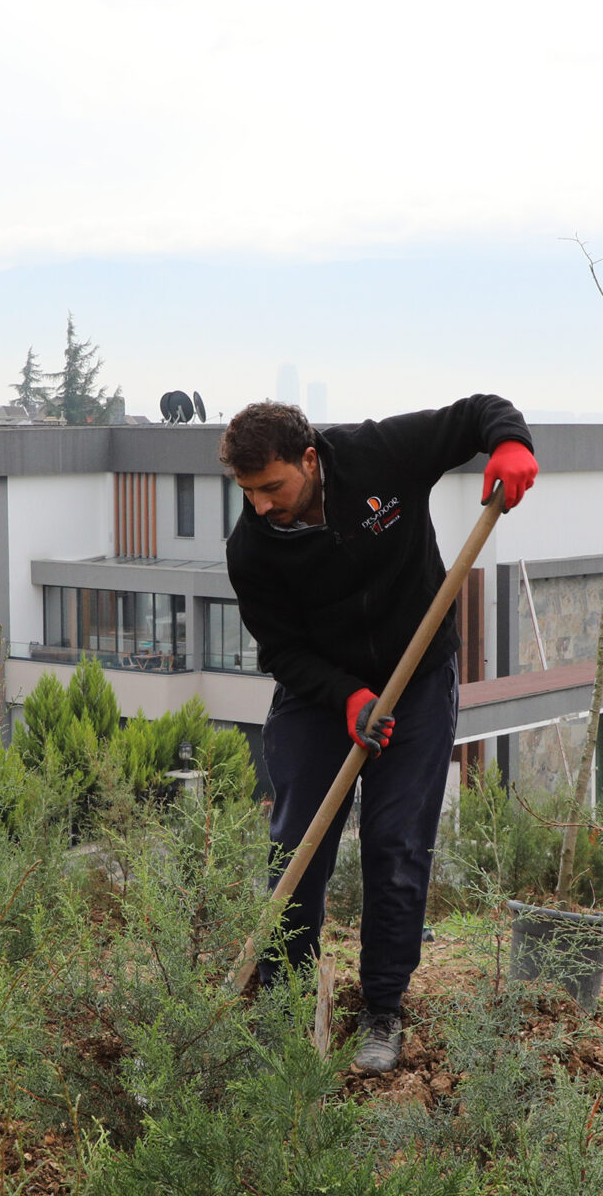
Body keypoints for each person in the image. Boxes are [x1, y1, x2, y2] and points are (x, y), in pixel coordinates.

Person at [222, 397, 538, 1074]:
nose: (262, 506)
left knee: (396, 844)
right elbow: (281, 651)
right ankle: (284, 1004)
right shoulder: (252, 550)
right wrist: (347, 696)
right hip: (321, 693)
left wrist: (510, 443)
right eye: (248, 492)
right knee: (297, 843)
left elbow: (479, 414)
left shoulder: (380, 455)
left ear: (310, 459)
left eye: (272, 487)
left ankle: (382, 1008)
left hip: (415, 676)